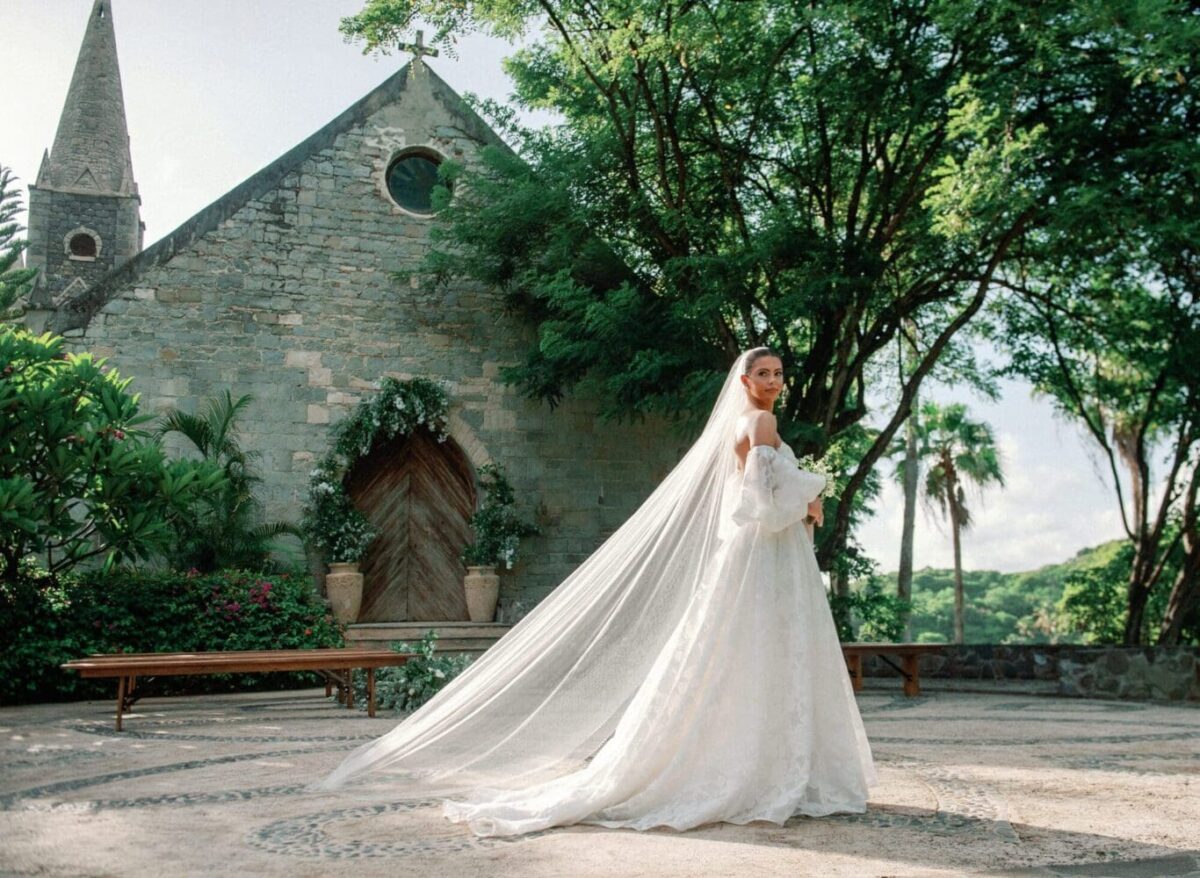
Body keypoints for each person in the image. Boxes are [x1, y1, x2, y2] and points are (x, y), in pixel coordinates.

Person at [310, 347, 877, 836]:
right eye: (766, 374)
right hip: (762, 554)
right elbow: (758, 499)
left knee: (735, 654)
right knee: (757, 652)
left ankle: (752, 762)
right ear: (744, 382)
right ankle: (765, 768)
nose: (775, 381)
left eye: (780, 373)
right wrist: (809, 501)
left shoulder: (742, 426)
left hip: (755, 556)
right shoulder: (760, 426)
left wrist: (798, 498)